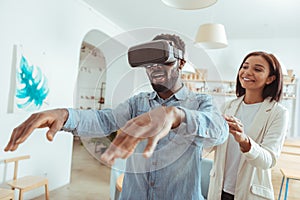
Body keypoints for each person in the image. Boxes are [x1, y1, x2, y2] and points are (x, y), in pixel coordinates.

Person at [5, 33, 228, 200]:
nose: (154, 69)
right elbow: (105, 120)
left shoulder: (200, 103)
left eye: (163, 61)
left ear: (180, 62)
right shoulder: (138, 103)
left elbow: (220, 131)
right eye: (148, 64)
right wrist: (65, 115)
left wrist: (177, 115)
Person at [207, 51, 289, 200]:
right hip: (219, 190)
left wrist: (244, 140)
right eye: (245, 67)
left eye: (257, 69)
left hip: (251, 193)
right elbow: (210, 145)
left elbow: (268, 160)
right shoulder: (227, 107)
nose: (247, 72)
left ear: (270, 79)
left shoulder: (278, 113)